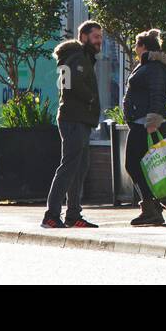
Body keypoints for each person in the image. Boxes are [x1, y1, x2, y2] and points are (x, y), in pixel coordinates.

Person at [121, 30, 166, 226]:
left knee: (133, 165)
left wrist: (152, 121)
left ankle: (150, 208)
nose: (134, 48)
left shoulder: (154, 67)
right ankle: (151, 207)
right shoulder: (149, 66)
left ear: (144, 47)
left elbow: (157, 94)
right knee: (141, 166)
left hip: (144, 124)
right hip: (140, 122)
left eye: (136, 45)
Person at [42, 20, 103, 229]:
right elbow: (69, 86)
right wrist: (91, 98)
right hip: (73, 119)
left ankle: (73, 215)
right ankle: (51, 215)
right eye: (96, 37)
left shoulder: (83, 58)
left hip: (82, 120)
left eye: (100, 38)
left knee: (79, 168)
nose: (99, 41)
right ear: (84, 37)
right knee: (69, 167)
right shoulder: (75, 58)